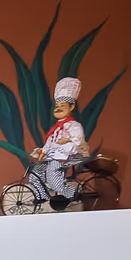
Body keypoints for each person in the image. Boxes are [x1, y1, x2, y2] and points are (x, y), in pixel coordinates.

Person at [27, 77, 87, 210]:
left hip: (68, 154)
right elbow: (49, 144)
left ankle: (71, 193)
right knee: (35, 174)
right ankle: (42, 196)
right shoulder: (55, 129)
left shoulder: (73, 125)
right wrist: (41, 151)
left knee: (53, 175)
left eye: (62, 106)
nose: (58, 108)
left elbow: (78, 138)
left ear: (71, 107)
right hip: (54, 155)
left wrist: (67, 140)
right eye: (57, 106)